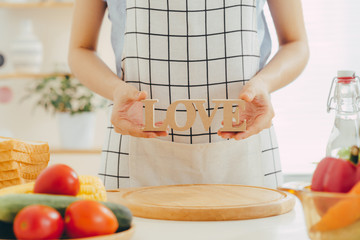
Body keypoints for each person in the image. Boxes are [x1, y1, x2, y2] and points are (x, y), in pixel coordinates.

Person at [69, 0, 309, 189]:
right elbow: (80, 49)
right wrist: (116, 90)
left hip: (244, 152)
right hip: (136, 151)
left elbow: (295, 43)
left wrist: (264, 84)